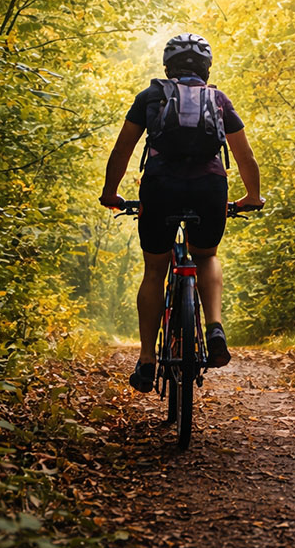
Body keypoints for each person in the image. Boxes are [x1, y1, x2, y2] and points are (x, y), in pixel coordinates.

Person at [99, 33, 265, 392]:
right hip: (209, 188)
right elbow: (244, 155)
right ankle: (215, 327)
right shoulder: (218, 100)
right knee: (206, 256)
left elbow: (122, 150)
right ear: (207, 68)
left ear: (167, 65)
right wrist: (252, 196)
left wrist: (111, 193)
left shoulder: (150, 96)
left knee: (155, 268)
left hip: (159, 188)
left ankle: (146, 359)